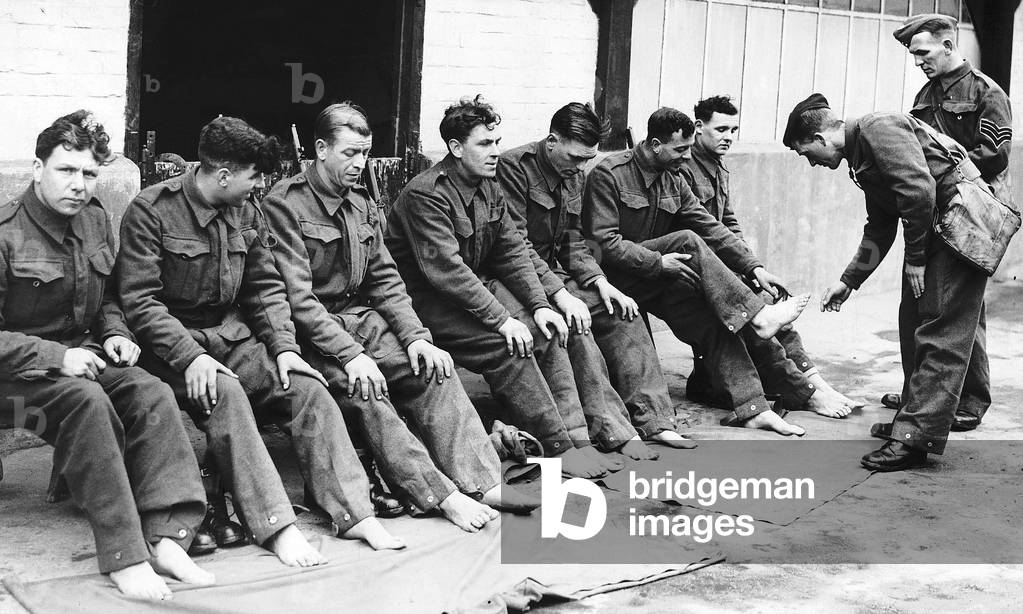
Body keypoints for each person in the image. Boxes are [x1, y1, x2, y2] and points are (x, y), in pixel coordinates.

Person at [117, 116, 404, 566]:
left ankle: (354, 511)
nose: (260, 188)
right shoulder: (151, 210)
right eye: (254, 178)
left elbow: (264, 290)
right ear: (224, 175)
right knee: (225, 391)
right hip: (168, 346)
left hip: (232, 338)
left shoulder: (245, 211)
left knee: (307, 389)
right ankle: (277, 526)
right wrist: (191, 357)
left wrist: (285, 348)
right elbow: (140, 302)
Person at [262, 102, 538, 531]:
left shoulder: (362, 203)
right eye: (350, 152)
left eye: (366, 153)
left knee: (434, 370)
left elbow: (386, 282)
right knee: (366, 387)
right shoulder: (285, 205)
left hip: (363, 319)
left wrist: (416, 338)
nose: (360, 163)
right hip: (313, 335)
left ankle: (482, 480)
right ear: (320, 149)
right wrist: (351, 354)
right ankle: (438, 494)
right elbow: (297, 300)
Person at [0, 111, 212, 600]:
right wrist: (57, 356)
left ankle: (166, 534)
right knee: (86, 400)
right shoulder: (6, 231)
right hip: (15, 380)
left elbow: (109, 298)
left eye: (90, 173)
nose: (79, 184)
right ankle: (125, 555)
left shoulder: (96, 219)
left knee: (151, 391)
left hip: (81, 359)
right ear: (37, 168)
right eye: (66, 170)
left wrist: (115, 332)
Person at [385, 96, 620, 478]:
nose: (496, 152)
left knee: (546, 331)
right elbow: (446, 271)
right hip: (424, 304)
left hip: (469, 293)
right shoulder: (426, 194)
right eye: (484, 144)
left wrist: (541, 304)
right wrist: (502, 320)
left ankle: (578, 438)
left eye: (496, 142)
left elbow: (512, 251)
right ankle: (559, 448)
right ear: (455, 148)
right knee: (511, 345)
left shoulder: (487, 186)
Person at [783, 93, 990, 471]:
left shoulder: (877, 127)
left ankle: (915, 438)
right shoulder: (861, 154)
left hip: (959, 227)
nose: (812, 162)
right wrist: (850, 280)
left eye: (806, 154)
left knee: (939, 331)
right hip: (938, 230)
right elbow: (880, 225)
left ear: (820, 138)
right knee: (918, 321)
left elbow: (919, 192)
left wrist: (915, 261)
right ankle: (922, 415)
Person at [584, 107, 812, 436]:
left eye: (690, 147)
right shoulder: (611, 172)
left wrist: (754, 267)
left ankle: (753, 407)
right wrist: (657, 263)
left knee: (714, 322)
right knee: (688, 241)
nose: (686, 155)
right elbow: (603, 243)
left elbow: (711, 226)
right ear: (655, 144)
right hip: (615, 278)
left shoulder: (675, 177)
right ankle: (759, 316)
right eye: (680, 149)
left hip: (657, 277)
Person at [498, 102, 694, 452]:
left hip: (552, 271)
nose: (581, 167)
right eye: (575, 158)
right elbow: (517, 247)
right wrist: (562, 295)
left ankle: (655, 419)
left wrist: (601, 284)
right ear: (552, 140)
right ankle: (613, 429)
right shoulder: (514, 169)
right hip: (514, 276)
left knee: (622, 310)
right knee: (576, 324)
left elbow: (574, 238)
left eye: (588, 159)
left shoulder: (574, 173)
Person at [681, 95, 859, 419]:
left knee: (774, 308)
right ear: (698, 127)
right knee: (758, 317)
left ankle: (813, 380)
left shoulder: (717, 167)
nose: (728, 136)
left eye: (733, 129)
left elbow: (728, 222)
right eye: (720, 128)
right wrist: (746, 268)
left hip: (720, 264)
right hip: (694, 269)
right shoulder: (683, 169)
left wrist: (752, 266)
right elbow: (701, 229)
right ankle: (807, 394)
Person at [876, 13, 1014, 431]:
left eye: (923, 52)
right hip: (931, 213)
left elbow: (996, 154)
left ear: (948, 45)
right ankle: (919, 393)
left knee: (959, 313)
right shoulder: (926, 93)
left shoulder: (987, 92)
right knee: (916, 308)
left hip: (972, 215)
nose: (918, 61)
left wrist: (936, 174)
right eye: (914, 55)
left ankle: (969, 400)